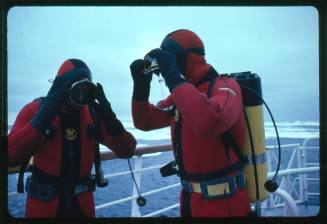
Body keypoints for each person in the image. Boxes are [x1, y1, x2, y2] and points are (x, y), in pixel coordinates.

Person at [130, 29, 251, 217]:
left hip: (225, 203)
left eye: (170, 61)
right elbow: (145, 121)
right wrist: (141, 86)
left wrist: (172, 75)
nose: (165, 69)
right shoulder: (182, 94)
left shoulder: (226, 87)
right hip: (189, 200)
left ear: (185, 59)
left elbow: (209, 122)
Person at [8, 58, 136, 218]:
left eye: (87, 93)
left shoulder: (93, 115)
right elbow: (10, 157)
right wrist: (44, 115)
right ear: (62, 88)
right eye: (77, 91)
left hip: (83, 206)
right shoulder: (35, 111)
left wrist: (112, 121)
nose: (81, 98)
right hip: (43, 206)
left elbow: (127, 150)